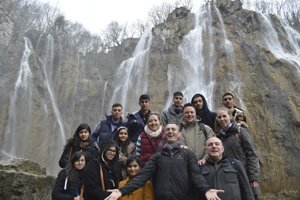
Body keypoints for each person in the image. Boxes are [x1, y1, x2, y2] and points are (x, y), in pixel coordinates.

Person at [103, 123, 224, 200]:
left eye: (173, 129)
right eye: (167, 130)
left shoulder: (188, 154)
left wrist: (206, 189)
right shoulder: (157, 156)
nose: (170, 131)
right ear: (164, 134)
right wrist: (121, 191)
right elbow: (142, 177)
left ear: (179, 134)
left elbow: (196, 176)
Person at [216, 107, 260, 199]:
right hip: (230, 179)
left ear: (231, 117)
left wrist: (254, 177)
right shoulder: (218, 137)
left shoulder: (240, 132)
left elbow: (252, 155)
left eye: (224, 116)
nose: (222, 119)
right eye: (219, 117)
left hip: (245, 176)